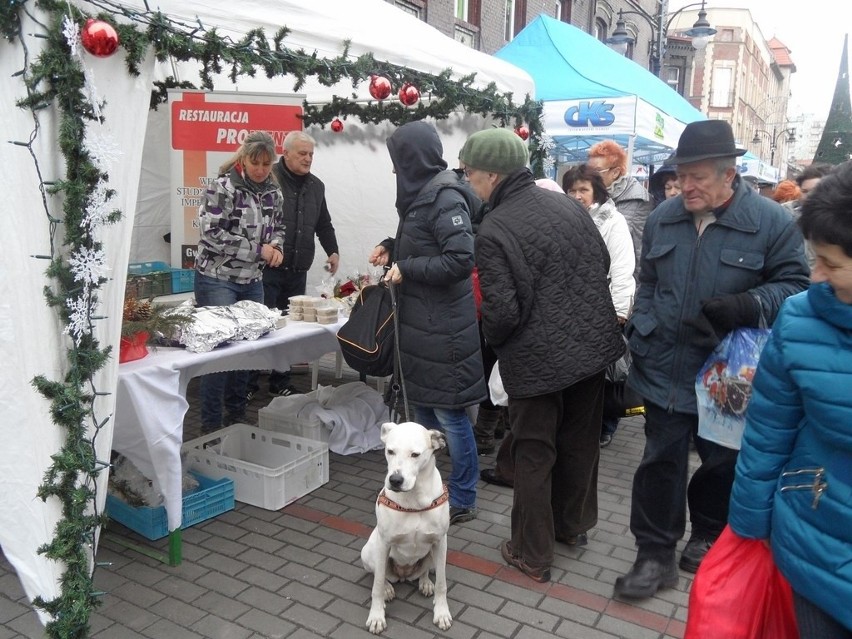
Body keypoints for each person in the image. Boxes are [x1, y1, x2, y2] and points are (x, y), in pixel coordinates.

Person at [613, 120, 810, 599]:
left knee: (722, 462)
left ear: (730, 174)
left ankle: (705, 534)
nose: (686, 186)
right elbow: (651, 279)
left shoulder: (770, 221)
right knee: (660, 459)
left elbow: (797, 287)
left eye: (699, 177)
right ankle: (654, 554)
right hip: (663, 363)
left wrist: (748, 306)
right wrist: (646, 325)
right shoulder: (664, 218)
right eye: (682, 175)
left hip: (730, 374)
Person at [463, 128, 624, 583]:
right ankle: (571, 528)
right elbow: (602, 265)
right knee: (579, 441)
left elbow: (502, 312)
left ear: (492, 174)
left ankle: (531, 552)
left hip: (538, 358)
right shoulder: (568, 205)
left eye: (472, 173)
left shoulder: (494, 228)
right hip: (590, 347)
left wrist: (493, 341)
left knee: (534, 451)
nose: (469, 181)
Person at [729, 161, 852, 638]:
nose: (816, 276)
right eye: (814, 257)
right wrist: (749, 528)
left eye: (832, 263)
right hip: (816, 543)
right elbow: (769, 431)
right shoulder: (801, 320)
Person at [368, 120, 485, 525]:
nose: (394, 170)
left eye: (397, 160)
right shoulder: (425, 193)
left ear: (412, 158)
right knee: (424, 420)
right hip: (424, 327)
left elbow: (458, 260)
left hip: (444, 330)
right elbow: (424, 240)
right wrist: (391, 246)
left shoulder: (445, 196)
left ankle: (465, 494)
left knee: (450, 416)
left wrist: (407, 267)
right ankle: (425, 488)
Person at [195, 131, 286, 433]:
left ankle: (235, 418)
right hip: (217, 279)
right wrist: (258, 250)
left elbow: (279, 228)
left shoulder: (274, 192)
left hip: (252, 281)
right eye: (255, 162)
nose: (260, 169)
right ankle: (210, 425)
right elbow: (211, 233)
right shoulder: (221, 187)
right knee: (220, 356)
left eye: (266, 163)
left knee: (245, 354)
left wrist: (277, 248)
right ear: (243, 159)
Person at [248, 130, 340, 398]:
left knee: (290, 330)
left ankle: (281, 382)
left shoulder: (317, 186)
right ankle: (248, 385)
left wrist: (332, 250)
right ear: (285, 153)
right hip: (266, 271)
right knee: (261, 329)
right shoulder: (268, 178)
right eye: (302, 153)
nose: (308, 158)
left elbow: (323, 223)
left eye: (311, 154)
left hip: (298, 270)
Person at [563, 164, 636, 447]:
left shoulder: (611, 221)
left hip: (602, 308)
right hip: (572, 309)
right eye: (572, 190)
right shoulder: (566, 218)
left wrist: (618, 312)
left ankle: (604, 424)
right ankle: (583, 425)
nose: (577, 195)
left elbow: (623, 268)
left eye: (583, 189)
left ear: (596, 192)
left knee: (605, 373)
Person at [585, 140, 653, 274]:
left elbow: (641, 252)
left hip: (622, 280)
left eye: (597, 171)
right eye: (589, 170)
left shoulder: (639, 200)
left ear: (615, 173)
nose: (590, 176)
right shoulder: (591, 195)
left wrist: (636, 291)